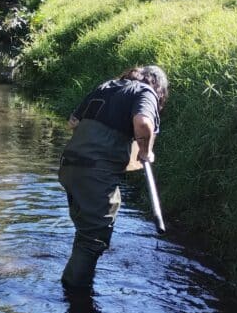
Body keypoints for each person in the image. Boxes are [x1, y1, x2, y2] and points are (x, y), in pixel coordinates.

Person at [57, 65, 169, 290]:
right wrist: (146, 150)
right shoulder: (146, 93)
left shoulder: (105, 87)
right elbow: (143, 122)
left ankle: (75, 285)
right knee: (93, 239)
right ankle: (75, 294)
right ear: (159, 89)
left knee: (85, 232)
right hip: (96, 171)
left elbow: (74, 122)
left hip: (70, 166)